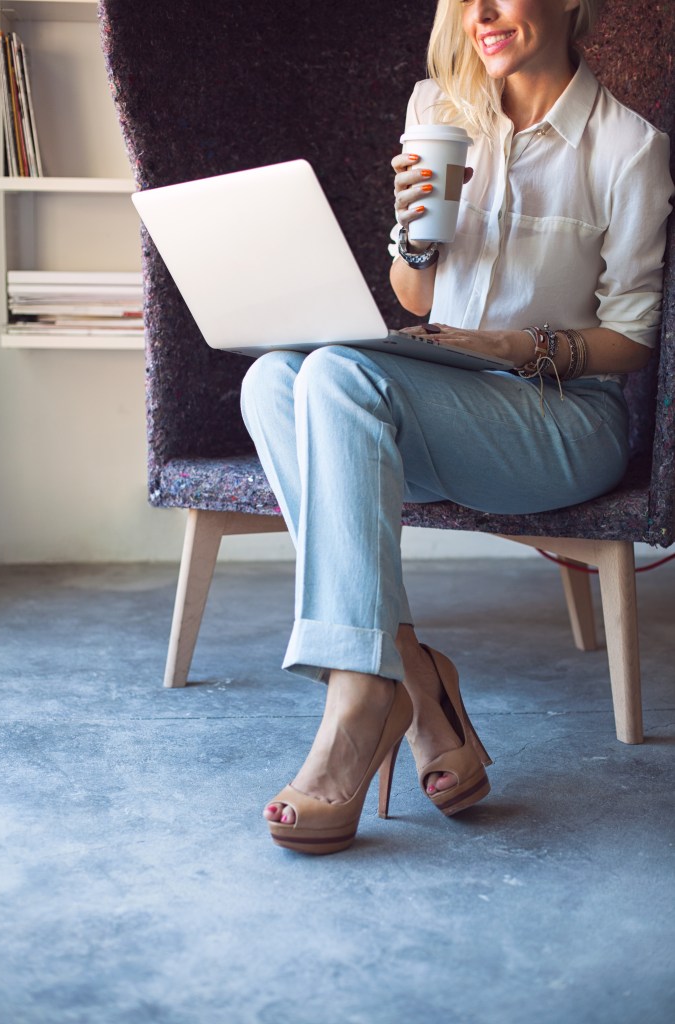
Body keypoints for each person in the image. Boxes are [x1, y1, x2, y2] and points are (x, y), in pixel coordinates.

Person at [240, 0, 672, 855]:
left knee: (335, 373)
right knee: (272, 381)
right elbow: (414, 301)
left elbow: (630, 341)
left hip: (560, 419)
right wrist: (414, 239)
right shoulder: (436, 109)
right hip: (447, 395)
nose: (480, 13)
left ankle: (360, 701)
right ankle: (407, 673)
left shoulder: (628, 149)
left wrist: (514, 345)